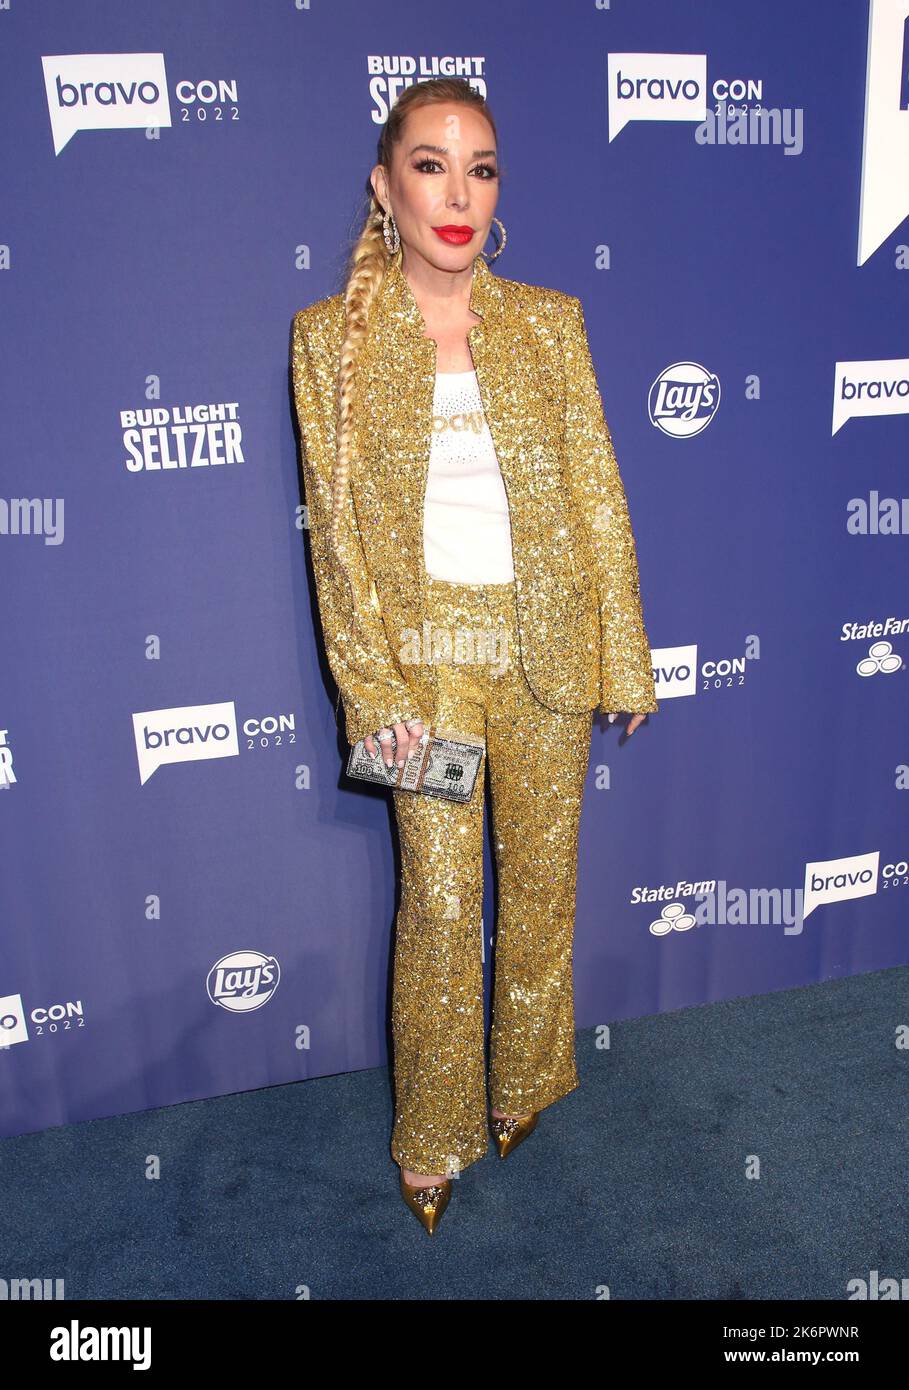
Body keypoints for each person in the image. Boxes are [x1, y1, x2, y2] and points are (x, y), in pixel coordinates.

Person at [291, 77, 658, 1235]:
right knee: (444, 905)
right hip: (427, 665)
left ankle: (528, 1081)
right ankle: (433, 1130)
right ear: (385, 186)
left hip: (543, 650)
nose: (459, 193)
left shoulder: (549, 320)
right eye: (433, 165)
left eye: (482, 168)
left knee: (542, 890)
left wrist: (627, 655)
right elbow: (337, 540)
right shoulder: (327, 341)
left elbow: (599, 496)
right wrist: (376, 691)